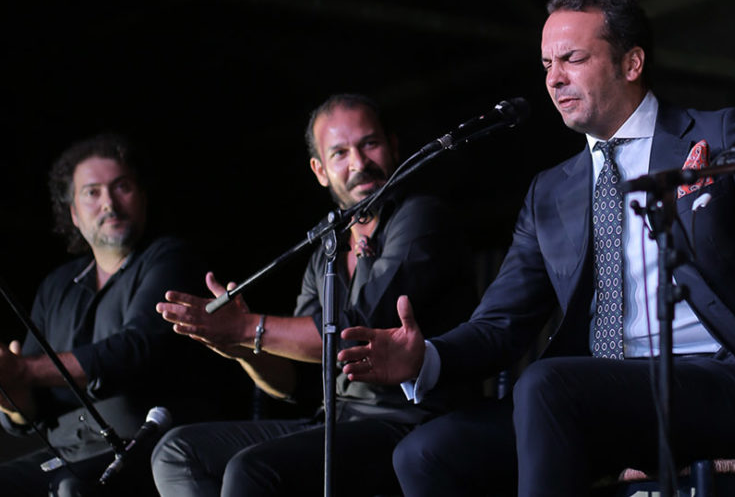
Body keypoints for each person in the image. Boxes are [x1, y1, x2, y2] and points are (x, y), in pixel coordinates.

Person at [335, 0, 735, 497]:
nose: (554, 79)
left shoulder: (716, 135)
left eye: (572, 58)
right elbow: (501, 323)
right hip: (594, 393)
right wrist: (426, 359)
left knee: (548, 385)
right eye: (546, 63)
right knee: (426, 453)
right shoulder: (551, 190)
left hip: (715, 380)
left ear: (632, 63)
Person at [150, 93, 476, 497]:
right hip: (337, 418)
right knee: (177, 452)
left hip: (409, 420)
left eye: (369, 144)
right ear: (320, 170)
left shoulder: (421, 216)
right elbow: (300, 376)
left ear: (393, 146)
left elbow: (349, 329)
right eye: (340, 153)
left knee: (252, 469)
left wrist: (246, 325)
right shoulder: (330, 246)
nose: (359, 163)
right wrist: (238, 345)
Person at [0, 133, 242, 496]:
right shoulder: (57, 285)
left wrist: (24, 371)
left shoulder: (170, 258)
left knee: (73, 489)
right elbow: (30, 405)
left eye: (122, 187)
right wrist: (10, 392)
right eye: (92, 192)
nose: (109, 203)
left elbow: (136, 348)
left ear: (142, 197)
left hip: (146, 446)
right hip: (65, 450)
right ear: (74, 214)